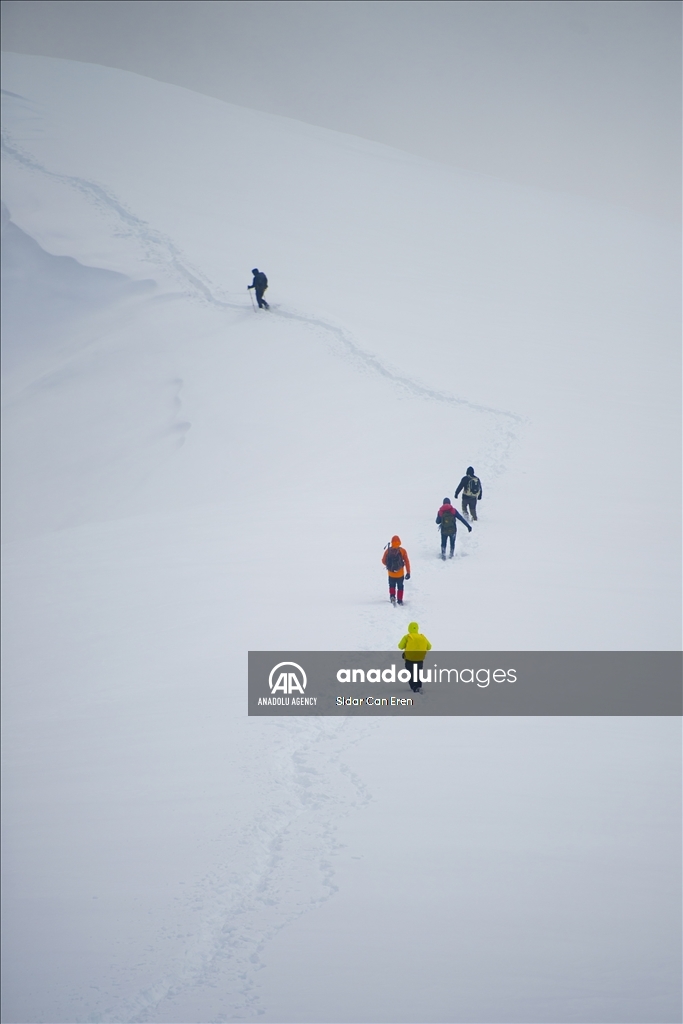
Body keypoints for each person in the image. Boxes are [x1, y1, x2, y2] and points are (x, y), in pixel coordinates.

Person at [398, 622, 432, 693]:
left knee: (411, 673)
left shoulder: (407, 637)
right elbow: (429, 647)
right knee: (418, 673)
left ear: (409, 628)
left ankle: (414, 687)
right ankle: (419, 686)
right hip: (420, 659)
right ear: (417, 628)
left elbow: (400, 646)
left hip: (409, 659)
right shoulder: (422, 636)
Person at [381, 535, 410, 606]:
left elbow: (383, 561)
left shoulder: (388, 551)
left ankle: (392, 596)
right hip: (400, 573)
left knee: (391, 585)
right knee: (400, 586)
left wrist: (389, 565)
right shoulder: (403, 551)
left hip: (391, 573)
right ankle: (400, 599)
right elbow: (407, 561)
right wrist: (408, 572)